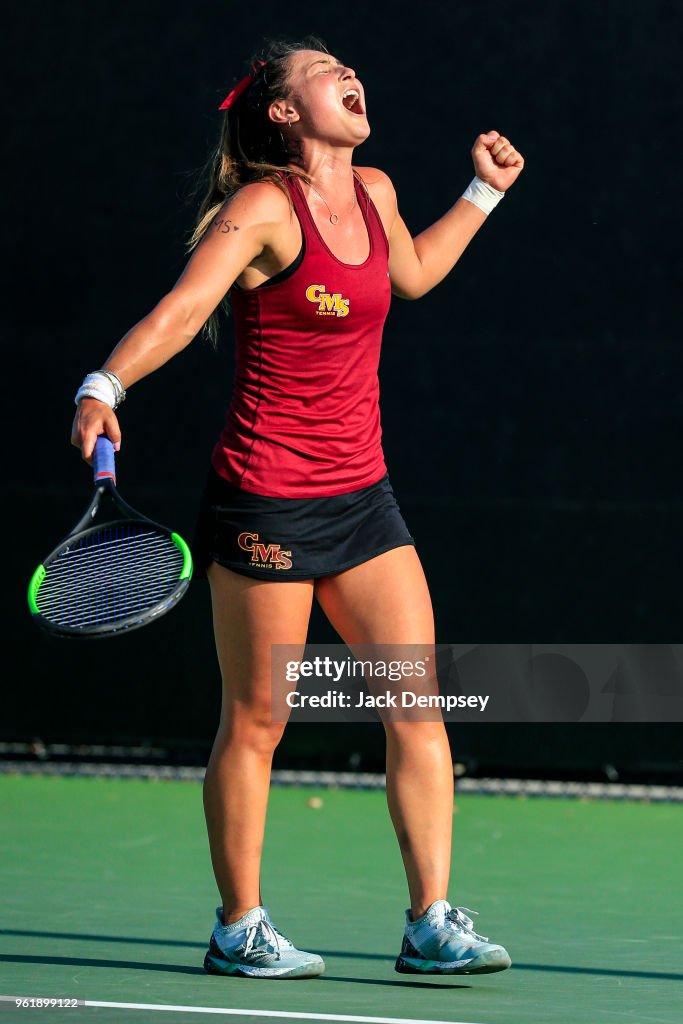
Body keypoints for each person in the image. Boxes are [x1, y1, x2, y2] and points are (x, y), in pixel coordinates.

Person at [71, 36, 524, 980]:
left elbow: (410, 277)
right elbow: (183, 310)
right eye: (325, 72)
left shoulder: (379, 192)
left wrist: (481, 193)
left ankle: (430, 922)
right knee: (258, 721)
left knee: (416, 705)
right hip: (266, 500)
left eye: (347, 67)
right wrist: (105, 382)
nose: (349, 76)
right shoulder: (261, 209)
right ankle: (238, 927)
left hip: (363, 499)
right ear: (283, 109)